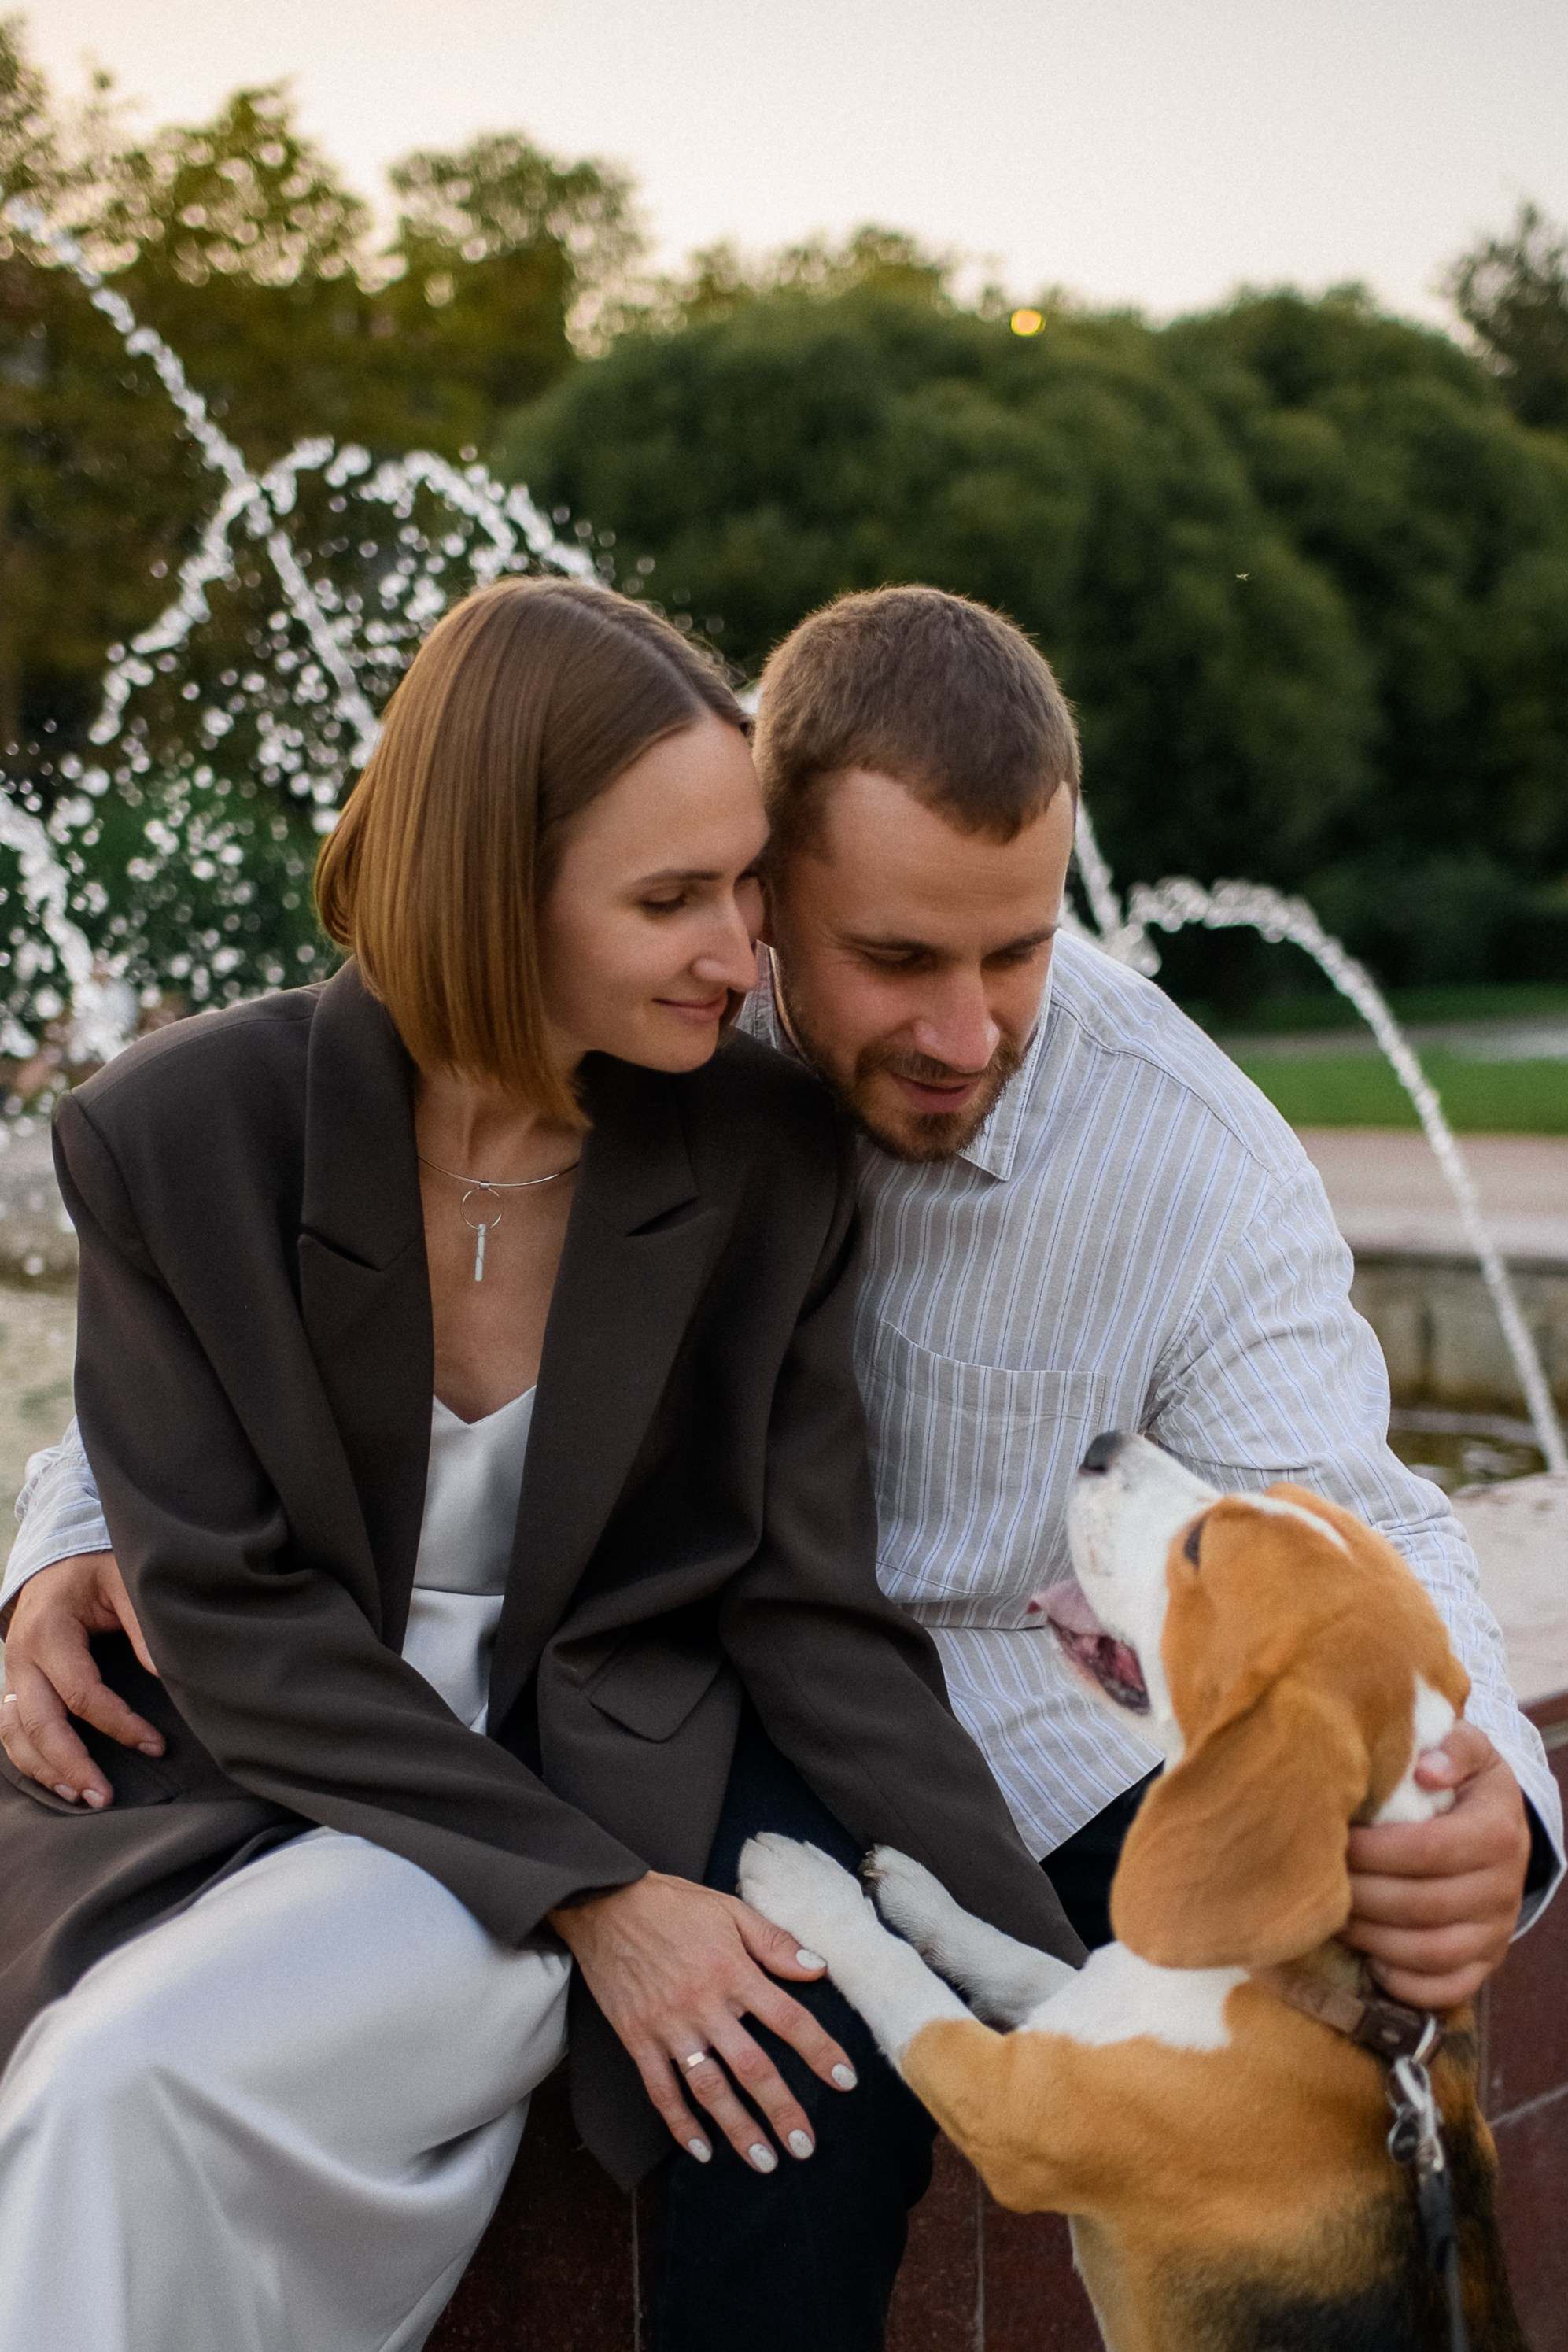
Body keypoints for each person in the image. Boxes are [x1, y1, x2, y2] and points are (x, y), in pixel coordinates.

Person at [6, 587, 1559, 2176]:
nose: (966, 1031)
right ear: (779, 883)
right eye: (887, 956)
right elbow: (294, 1217)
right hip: (643, 1703)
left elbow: (1355, 1513)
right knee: (765, 2111)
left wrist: (1484, 1776)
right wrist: (67, 1524)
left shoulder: (1186, 1156)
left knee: (1264, 2077)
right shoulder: (647, 980)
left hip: (1005, 1715)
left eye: (1017, 950)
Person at [0, 576, 1079, 2352]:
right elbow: (226, 1606)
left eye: (742, 886)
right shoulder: (174, 1133)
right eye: (671, 902)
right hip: (248, 1773)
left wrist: (1072, 1988)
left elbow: (813, 1617)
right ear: (491, 894)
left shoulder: (758, 1155)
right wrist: (601, 1903)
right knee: (92, 2072)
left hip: (561, 1792)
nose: (741, 959)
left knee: (119, 2081)